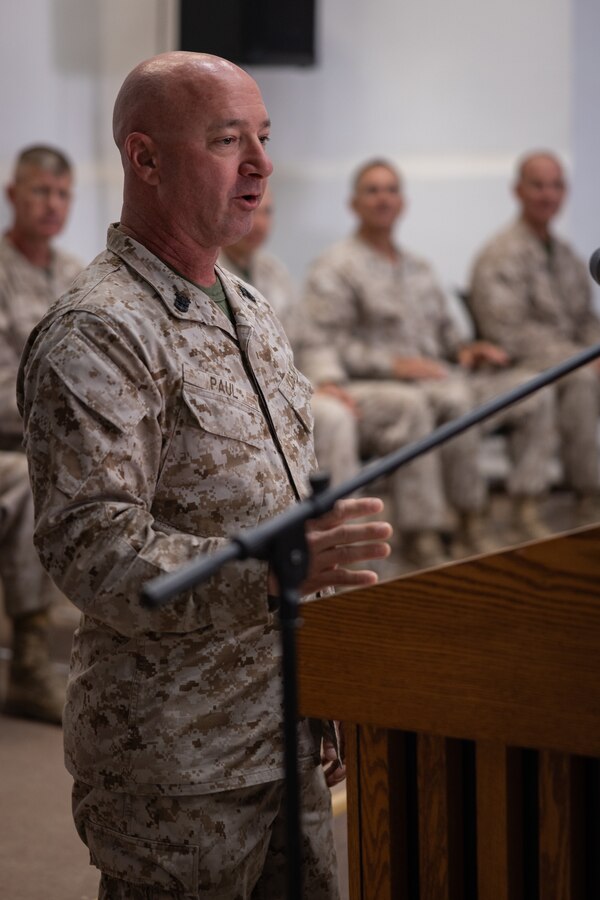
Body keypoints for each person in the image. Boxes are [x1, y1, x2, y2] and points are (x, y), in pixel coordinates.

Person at [18, 52, 392, 900]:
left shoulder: (246, 305)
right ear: (145, 159)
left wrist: (325, 694)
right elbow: (92, 548)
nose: (261, 164)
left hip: (287, 726)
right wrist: (272, 569)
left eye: (263, 137)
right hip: (181, 759)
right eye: (228, 140)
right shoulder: (100, 331)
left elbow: (279, 502)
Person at [304, 159, 556, 565]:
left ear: (403, 202)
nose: (383, 199)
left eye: (391, 190)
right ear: (354, 204)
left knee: (530, 389)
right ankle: (431, 531)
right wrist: (393, 365)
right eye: (372, 191)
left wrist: (467, 351)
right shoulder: (336, 267)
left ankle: (521, 508)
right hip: (377, 388)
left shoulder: (418, 267)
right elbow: (321, 342)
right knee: (432, 404)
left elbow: (446, 336)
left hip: (440, 378)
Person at [469, 150, 600, 518]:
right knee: (582, 382)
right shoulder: (500, 254)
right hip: (514, 370)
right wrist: (584, 359)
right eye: (538, 185)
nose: (547, 194)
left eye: (556, 185)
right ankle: (584, 498)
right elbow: (508, 333)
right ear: (518, 191)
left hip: (568, 363)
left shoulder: (567, 256)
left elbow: (584, 320)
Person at [0, 144, 81, 724]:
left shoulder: (76, 275)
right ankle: (29, 661)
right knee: (31, 480)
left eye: (61, 194)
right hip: (9, 441)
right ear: (12, 196)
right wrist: (67, 424)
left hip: (61, 435)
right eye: (39, 192)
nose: (51, 204)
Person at [220, 185, 361, 487]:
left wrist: (325, 381)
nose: (260, 223)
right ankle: (328, 527)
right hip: (237, 401)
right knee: (333, 418)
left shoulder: (274, 272)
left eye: (267, 212)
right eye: (251, 209)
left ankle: (340, 526)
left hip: (289, 392)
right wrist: (300, 392)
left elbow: (307, 340)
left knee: (337, 411)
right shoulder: (208, 271)